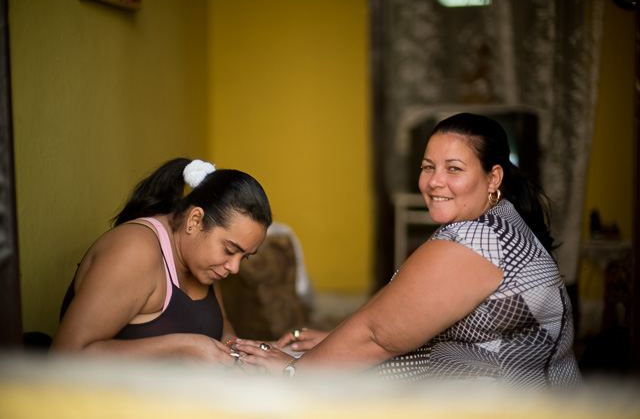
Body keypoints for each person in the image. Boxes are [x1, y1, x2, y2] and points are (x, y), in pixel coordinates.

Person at [236, 113, 582, 389]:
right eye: (428, 166)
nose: (434, 181)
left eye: (454, 169)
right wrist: (335, 342)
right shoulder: (498, 223)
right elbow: (405, 308)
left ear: (493, 178)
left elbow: (378, 335)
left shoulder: (480, 241)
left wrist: (295, 372)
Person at [52, 158, 272, 367]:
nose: (234, 267)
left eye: (244, 257)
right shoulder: (135, 251)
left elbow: (220, 323)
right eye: (230, 250)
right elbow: (65, 357)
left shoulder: (204, 263)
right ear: (195, 221)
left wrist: (233, 347)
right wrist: (181, 349)